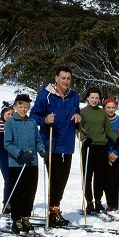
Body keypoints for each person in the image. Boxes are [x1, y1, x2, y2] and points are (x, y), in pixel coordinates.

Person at [30, 66, 81, 227]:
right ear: (56, 78)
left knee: (63, 180)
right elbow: (34, 116)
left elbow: (77, 111)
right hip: (50, 144)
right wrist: (44, 120)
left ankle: (55, 209)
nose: (66, 81)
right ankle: (53, 211)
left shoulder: (74, 96)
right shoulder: (45, 95)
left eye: (68, 78)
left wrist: (78, 115)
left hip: (67, 144)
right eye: (63, 78)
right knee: (55, 180)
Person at [79, 89, 119, 214]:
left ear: (99, 99)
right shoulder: (83, 112)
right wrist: (84, 140)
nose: (94, 100)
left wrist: (118, 139)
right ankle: (89, 202)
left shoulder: (102, 113)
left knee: (99, 176)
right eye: (92, 97)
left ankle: (98, 201)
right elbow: (79, 129)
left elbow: (109, 130)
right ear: (88, 98)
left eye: (96, 98)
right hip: (89, 146)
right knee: (88, 176)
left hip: (101, 147)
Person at [4, 94, 45, 233]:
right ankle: (16, 220)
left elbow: (38, 140)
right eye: (20, 106)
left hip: (32, 163)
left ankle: (26, 217)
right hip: (17, 164)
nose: (23, 109)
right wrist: (19, 153)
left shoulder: (32, 122)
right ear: (15, 106)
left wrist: (42, 150)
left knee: (30, 192)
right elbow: (7, 144)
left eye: (26, 106)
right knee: (17, 192)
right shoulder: (10, 123)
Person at [103, 98, 119, 211]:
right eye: (108, 107)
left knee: (118, 180)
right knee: (108, 180)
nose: (110, 110)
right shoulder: (102, 120)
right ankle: (109, 203)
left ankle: (116, 203)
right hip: (106, 153)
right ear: (104, 108)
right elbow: (102, 137)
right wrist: (109, 153)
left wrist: (116, 153)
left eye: (113, 107)